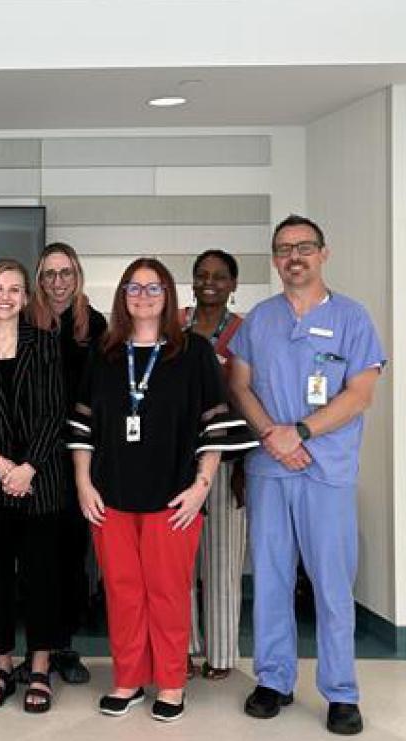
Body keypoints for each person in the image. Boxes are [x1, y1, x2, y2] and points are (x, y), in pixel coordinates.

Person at [69, 258, 255, 723]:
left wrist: (201, 488)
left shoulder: (192, 353)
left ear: (169, 295)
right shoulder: (105, 352)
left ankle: (171, 684)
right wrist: (83, 483)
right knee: (123, 591)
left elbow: (214, 426)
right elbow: (82, 425)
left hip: (174, 498)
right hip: (110, 497)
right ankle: (128, 679)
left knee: (168, 592)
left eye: (154, 288)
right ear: (122, 296)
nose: (144, 295)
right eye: (134, 287)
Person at [228, 215, 386, 736]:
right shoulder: (260, 320)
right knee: (271, 579)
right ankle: (273, 680)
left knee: (331, 584)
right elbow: (241, 384)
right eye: (283, 249)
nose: (294, 257)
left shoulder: (352, 318)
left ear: (323, 254)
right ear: (274, 260)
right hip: (271, 468)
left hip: (327, 471)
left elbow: (359, 394)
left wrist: (300, 431)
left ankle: (341, 691)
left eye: (304, 247)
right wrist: (274, 434)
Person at [0, 260, 67, 713]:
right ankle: (2, 662)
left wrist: (28, 467)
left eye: (15, 289)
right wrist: (1, 465)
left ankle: (39, 666)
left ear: (26, 298)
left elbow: (54, 412)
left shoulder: (45, 344)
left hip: (41, 480)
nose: (5, 296)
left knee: (42, 577)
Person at [28, 241, 108, 685]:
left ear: (76, 277)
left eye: (65, 273)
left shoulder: (94, 325)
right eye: (49, 275)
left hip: (78, 458)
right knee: (37, 559)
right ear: (39, 281)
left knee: (71, 557)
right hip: (32, 461)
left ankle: (65, 646)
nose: (57, 282)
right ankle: (36, 648)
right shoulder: (23, 322)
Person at [180, 249, 247, 681]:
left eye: (220, 277)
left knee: (222, 561)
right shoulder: (175, 323)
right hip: (177, 460)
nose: (210, 283)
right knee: (178, 562)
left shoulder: (246, 331)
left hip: (228, 459)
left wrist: (245, 466)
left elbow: (252, 396)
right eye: (202, 275)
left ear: (233, 284)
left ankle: (221, 654)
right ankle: (181, 647)